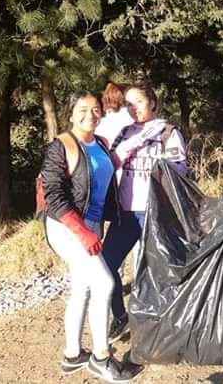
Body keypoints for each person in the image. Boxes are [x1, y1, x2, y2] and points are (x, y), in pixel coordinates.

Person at [39, 90, 132, 383]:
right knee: (104, 282)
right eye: (83, 109)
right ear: (70, 114)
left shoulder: (101, 145)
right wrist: (81, 232)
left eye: (95, 109)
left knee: (82, 288)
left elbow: (101, 176)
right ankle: (101, 358)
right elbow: (54, 194)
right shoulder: (61, 146)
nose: (90, 114)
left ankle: (72, 355)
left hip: (89, 225)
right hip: (66, 227)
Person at [102, 83, 188, 344]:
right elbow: (111, 163)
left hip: (155, 214)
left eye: (138, 101)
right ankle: (120, 315)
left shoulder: (168, 132)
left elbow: (180, 170)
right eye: (128, 103)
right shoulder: (125, 132)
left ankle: (159, 323)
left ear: (151, 101)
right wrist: (133, 143)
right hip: (126, 214)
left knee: (153, 271)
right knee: (106, 266)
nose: (134, 107)